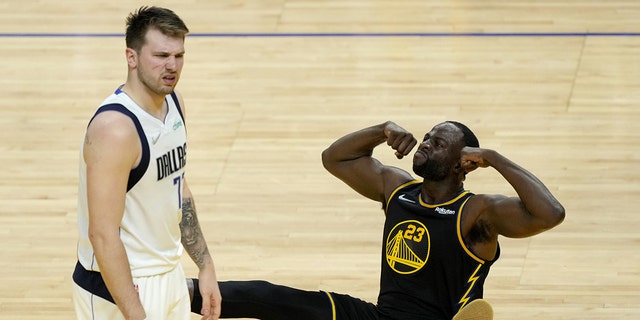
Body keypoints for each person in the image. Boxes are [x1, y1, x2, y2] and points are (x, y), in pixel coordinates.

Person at [189, 120, 565, 319]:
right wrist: (381, 130)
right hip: (380, 317)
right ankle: (178, 290)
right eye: (427, 136)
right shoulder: (398, 189)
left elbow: (550, 213)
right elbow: (335, 159)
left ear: (461, 163)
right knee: (273, 298)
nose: (425, 143)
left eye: (438, 143)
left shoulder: (478, 211)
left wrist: (495, 157)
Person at [71, 6, 221, 320]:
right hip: (122, 287)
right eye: (161, 55)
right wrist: (135, 313)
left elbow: (177, 189)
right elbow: (101, 233)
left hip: (168, 273)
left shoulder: (174, 105)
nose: (172, 66)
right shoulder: (114, 129)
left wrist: (205, 265)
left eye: (179, 56)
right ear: (131, 57)